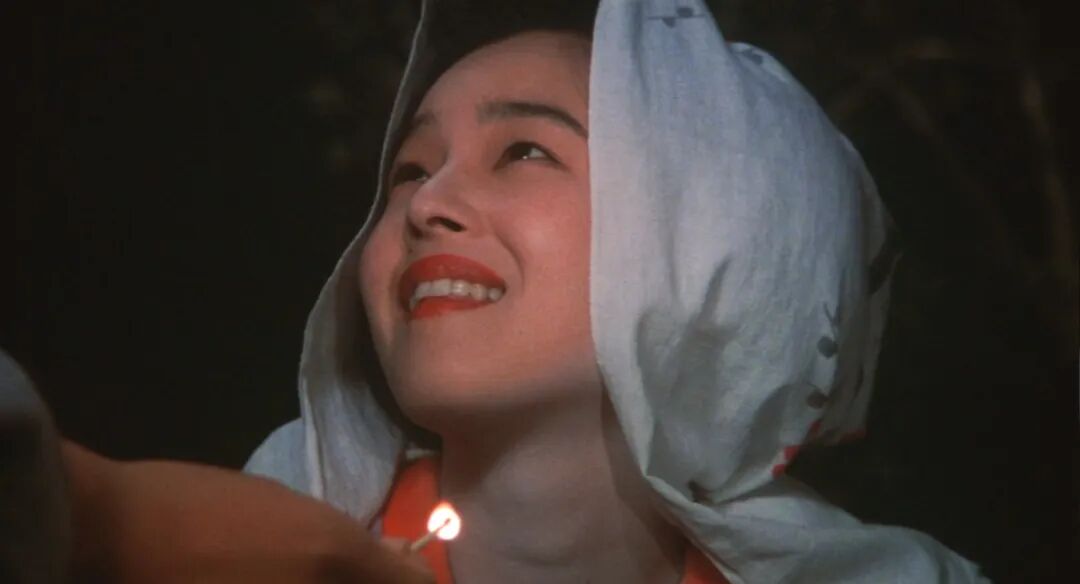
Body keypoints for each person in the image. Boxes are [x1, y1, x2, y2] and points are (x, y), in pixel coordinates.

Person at [245, 0, 989, 582]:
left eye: (523, 151)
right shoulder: (254, 546)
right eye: (409, 169)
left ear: (710, 246)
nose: (425, 202)